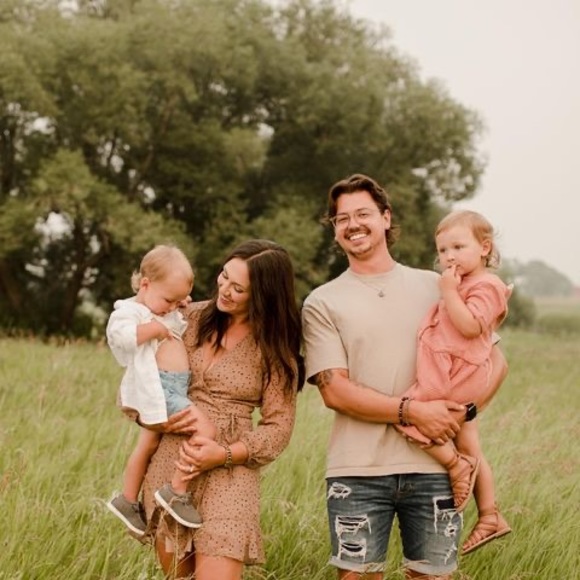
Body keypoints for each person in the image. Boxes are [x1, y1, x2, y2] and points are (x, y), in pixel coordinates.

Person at [301, 174, 508, 579]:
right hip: (357, 471)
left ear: (385, 217)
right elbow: (335, 392)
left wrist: (461, 413)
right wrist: (413, 412)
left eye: (363, 214)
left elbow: (495, 362)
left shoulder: (439, 285)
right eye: (342, 218)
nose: (353, 224)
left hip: (437, 471)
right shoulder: (322, 302)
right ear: (334, 229)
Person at [139, 239, 303, 580]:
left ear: (263, 296)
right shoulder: (186, 318)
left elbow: (279, 427)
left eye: (238, 288)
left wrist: (224, 454)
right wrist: (157, 419)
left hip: (231, 472)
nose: (225, 290)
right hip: (173, 462)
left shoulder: (273, 347)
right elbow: (140, 376)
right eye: (224, 276)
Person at [394, 210, 512, 554]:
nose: (449, 257)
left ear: (484, 248)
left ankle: (454, 464)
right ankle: (490, 514)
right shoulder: (465, 284)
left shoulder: (487, 285)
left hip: (456, 373)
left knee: (409, 415)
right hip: (455, 368)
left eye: (459, 247)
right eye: (443, 250)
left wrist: (448, 291)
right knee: (470, 441)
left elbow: (471, 326)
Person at [106, 245, 216, 536]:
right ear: (145, 284)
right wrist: (153, 330)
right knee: (206, 430)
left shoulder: (160, 307)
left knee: (147, 444)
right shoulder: (129, 311)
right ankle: (176, 490)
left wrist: (177, 302)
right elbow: (120, 337)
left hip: (170, 388)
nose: (172, 307)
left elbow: (175, 312)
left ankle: (128, 499)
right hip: (162, 389)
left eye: (178, 300)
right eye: (169, 299)